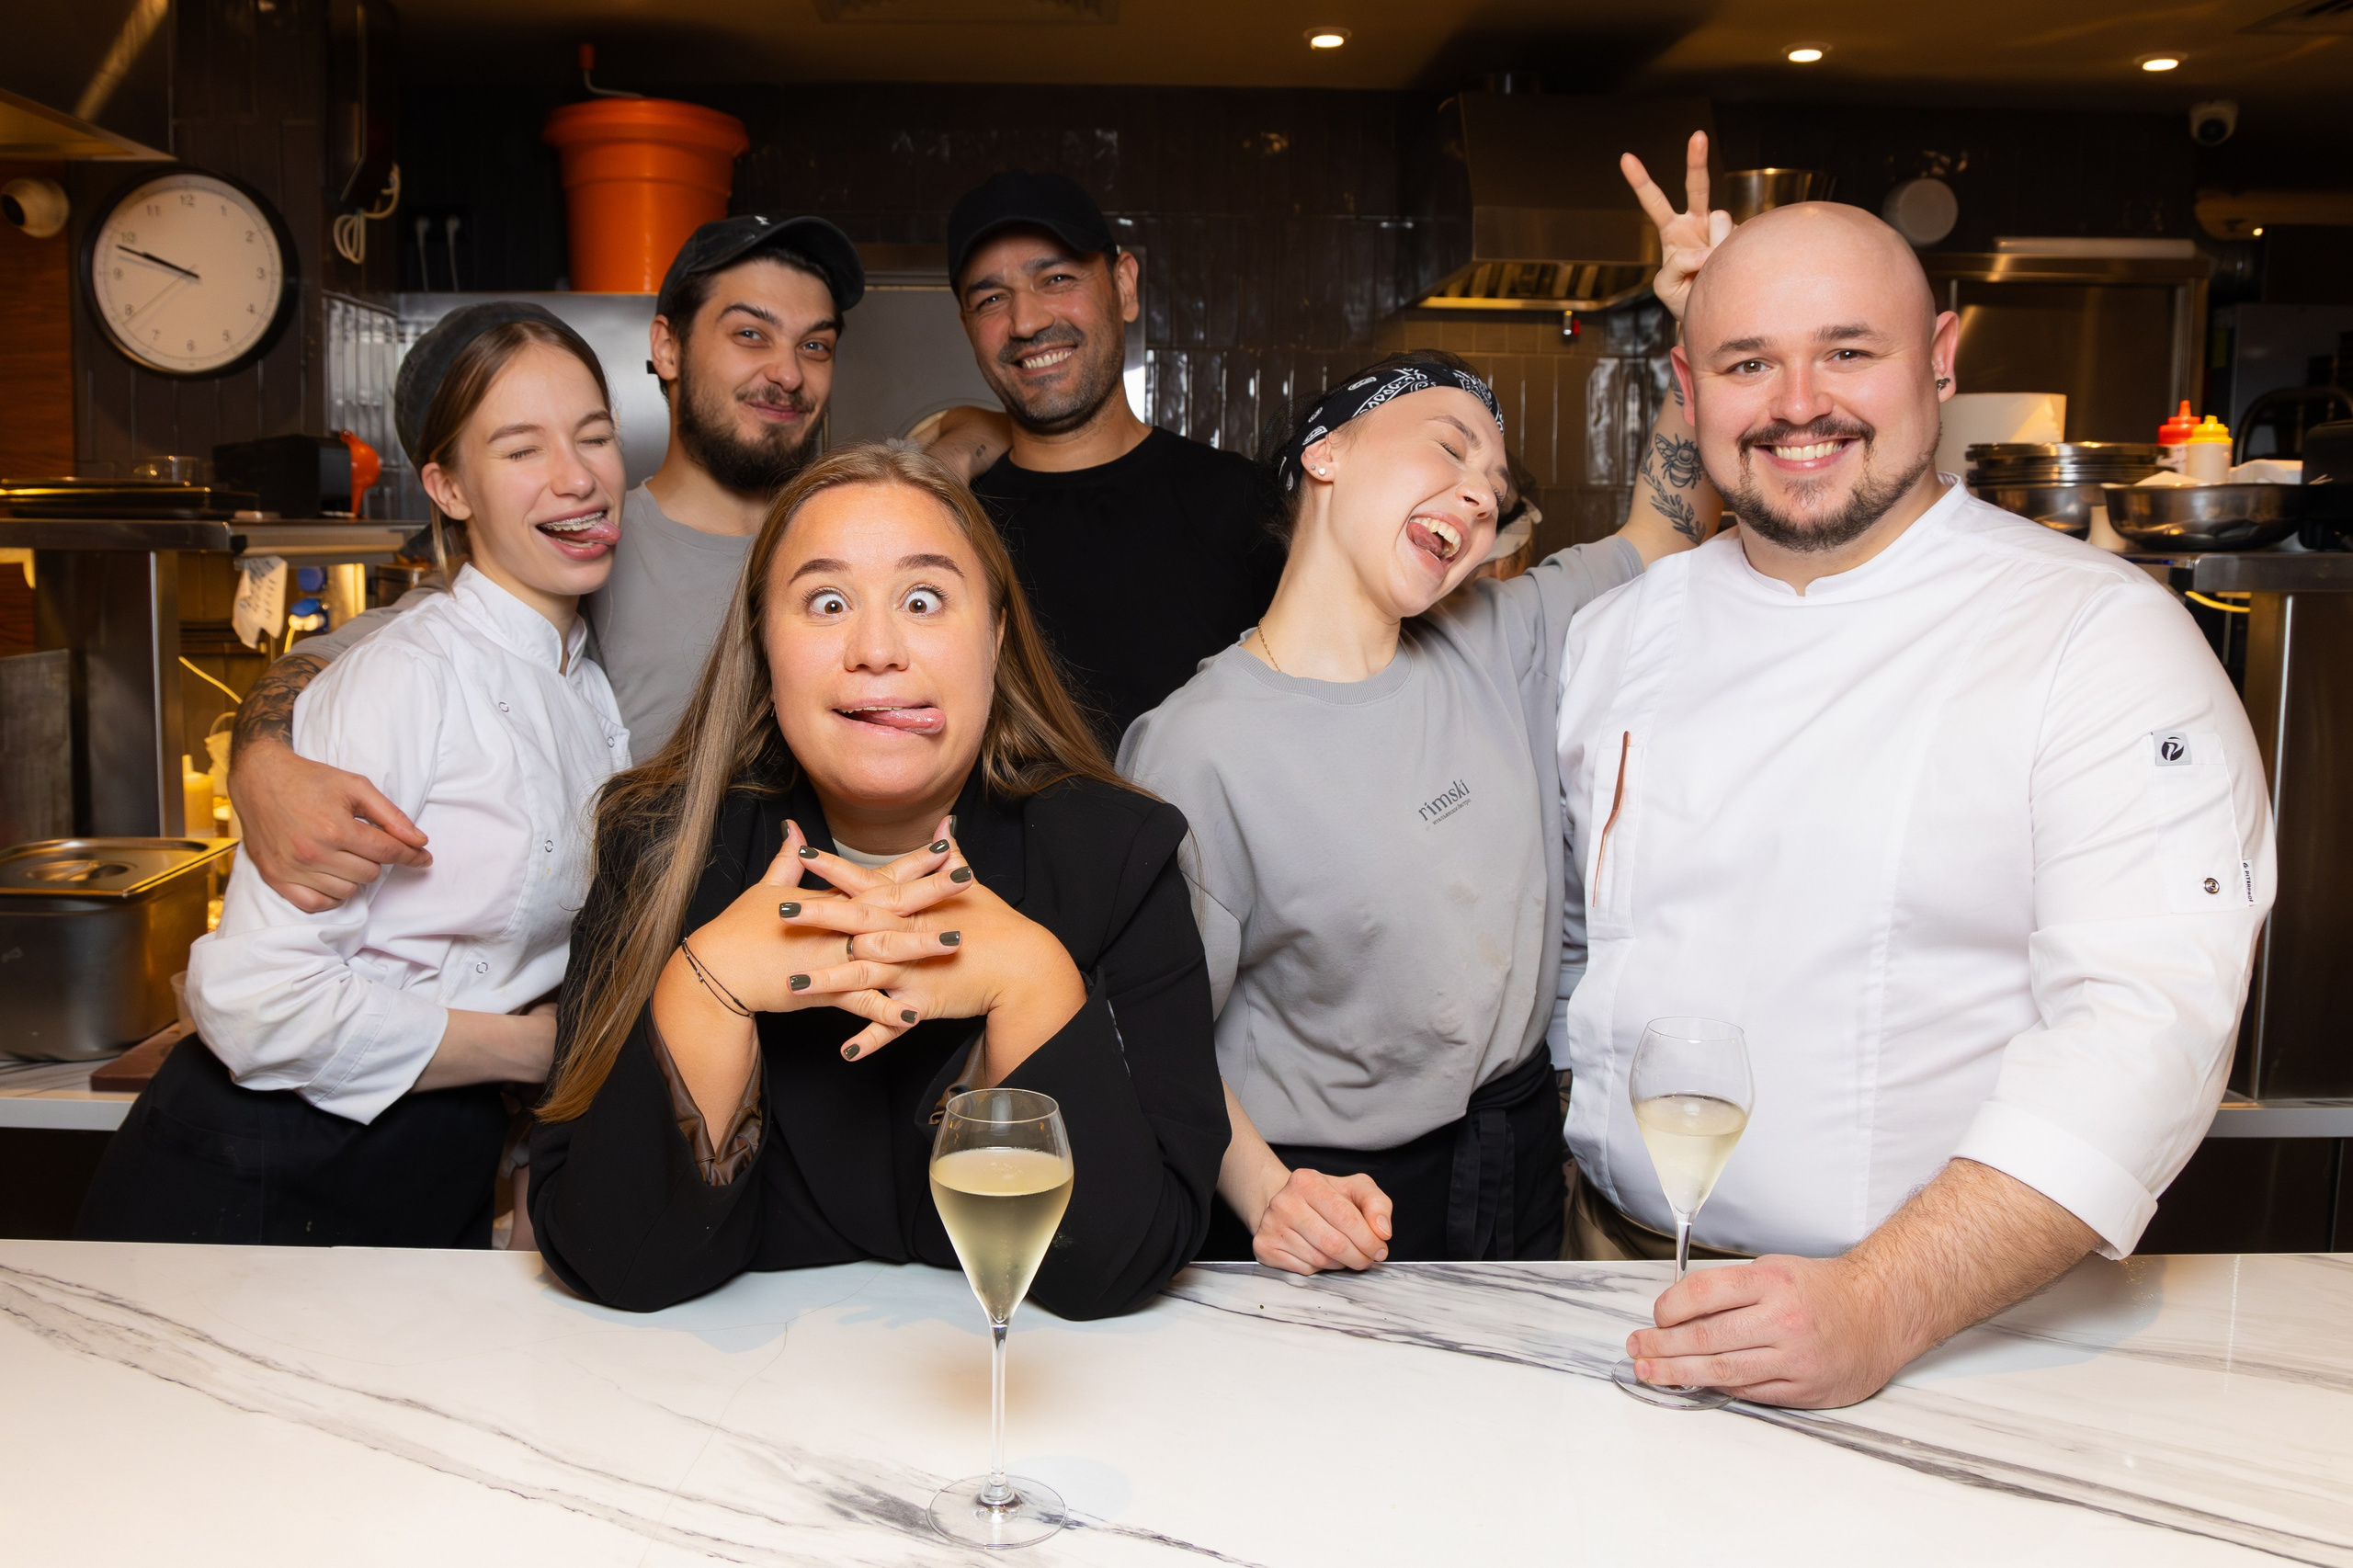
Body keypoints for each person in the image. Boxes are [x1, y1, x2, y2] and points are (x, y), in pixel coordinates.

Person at [1553, 195, 2275, 1407]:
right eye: (1748, 363)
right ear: (1688, 383)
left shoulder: (2096, 635)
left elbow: (2145, 1026)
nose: (1798, 403)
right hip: (1607, 1284)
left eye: (1848, 351)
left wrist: (1882, 1301)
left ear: (1940, 358)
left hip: (1941, 1332)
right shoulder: (1617, 634)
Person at [526, 444, 1226, 1317]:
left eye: (924, 600)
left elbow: (1128, 1263)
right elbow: (610, 1259)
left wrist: (1032, 983)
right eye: (826, 603)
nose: (877, 649)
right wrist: (706, 990)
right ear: (763, 645)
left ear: (996, 637)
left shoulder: (1123, 855)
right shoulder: (655, 849)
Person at [1118, 335, 1715, 1270]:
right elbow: (1150, 1033)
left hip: (1516, 1159)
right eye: (1449, 446)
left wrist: (1691, 337)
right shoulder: (1197, 745)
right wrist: (1268, 1191)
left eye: (1496, 484)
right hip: (1325, 1194)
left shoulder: (1495, 633)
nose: (1481, 495)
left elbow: (1663, 533)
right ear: (1327, 451)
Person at [77, 304, 631, 1247]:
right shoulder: (409, 673)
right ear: (449, 486)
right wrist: (537, 1050)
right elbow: (258, 1000)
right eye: (520, 448)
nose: (577, 477)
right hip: (258, 1171)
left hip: (423, 1160)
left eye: (593, 435)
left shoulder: (581, 677)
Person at [225, 215, 866, 914]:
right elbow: (350, 661)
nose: (787, 372)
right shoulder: (578, 545)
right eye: (751, 334)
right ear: (667, 346)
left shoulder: (852, 540)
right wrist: (260, 763)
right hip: (649, 981)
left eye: (816, 345)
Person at [932, 171, 1288, 742]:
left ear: (1124, 287)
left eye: (1056, 278)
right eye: (992, 298)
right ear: (967, 326)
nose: (1027, 321)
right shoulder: (949, 526)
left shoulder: (1247, 505)